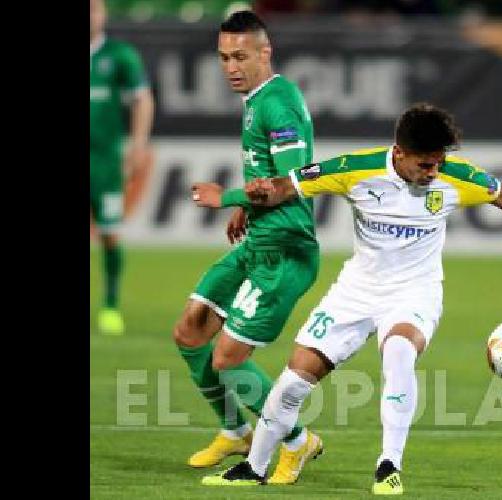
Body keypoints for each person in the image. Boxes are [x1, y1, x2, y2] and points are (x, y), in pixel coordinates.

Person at [192, 103, 502, 493]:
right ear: (399, 152)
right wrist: (232, 199)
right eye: (425, 164)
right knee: (295, 379)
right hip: (356, 290)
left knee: (399, 351)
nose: (433, 171)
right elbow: (285, 187)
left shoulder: (456, 177)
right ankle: (254, 467)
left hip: (415, 291)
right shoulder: (355, 170)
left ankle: (389, 465)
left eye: (438, 162)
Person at [173, 10, 323, 484]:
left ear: (265, 52)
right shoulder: (257, 99)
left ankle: (298, 443)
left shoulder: (278, 105)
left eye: (240, 56)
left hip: (284, 252)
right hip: (261, 236)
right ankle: (235, 430)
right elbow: (271, 179)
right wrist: (250, 209)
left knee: (227, 357)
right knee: (191, 331)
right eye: (223, 58)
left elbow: (295, 180)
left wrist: (229, 197)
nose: (231, 67)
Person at [89, 0, 154, 335]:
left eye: (94, 9)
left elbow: (143, 98)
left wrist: (138, 144)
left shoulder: (118, 56)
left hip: (104, 163)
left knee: (110, 235)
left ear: (103, 14)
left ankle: (110, 306)